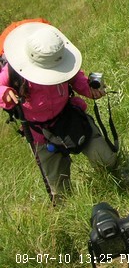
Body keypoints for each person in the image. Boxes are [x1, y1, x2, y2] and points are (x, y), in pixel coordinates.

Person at [0, 22, 118, 201]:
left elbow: (76, 76)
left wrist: (89, 90)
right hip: (40, 134)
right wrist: (5, 92)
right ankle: (70, 212)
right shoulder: (13, 70)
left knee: (107, 160)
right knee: (60, 192)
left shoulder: (59, 55)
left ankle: (114, 180)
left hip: (70, 117)